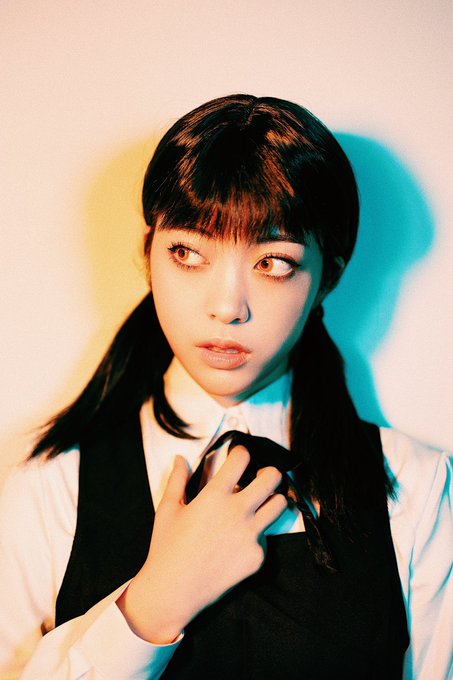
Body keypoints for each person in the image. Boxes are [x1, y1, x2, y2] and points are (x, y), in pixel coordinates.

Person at [0, 94, 451, 680]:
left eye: (273, 262)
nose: (227, 307)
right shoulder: (53, 484)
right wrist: (150, 608)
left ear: (328, 278)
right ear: (149, 254)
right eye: (188, 252)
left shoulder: (418, 489)